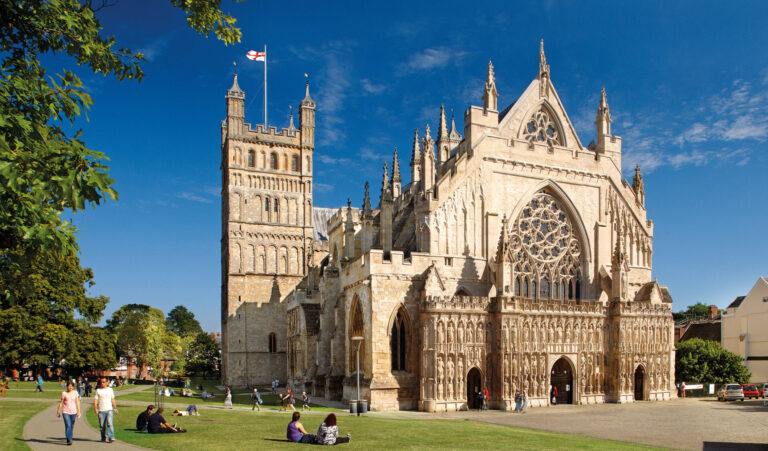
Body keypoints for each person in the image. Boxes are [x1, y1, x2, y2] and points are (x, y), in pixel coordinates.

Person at [57, 381, 81, 446]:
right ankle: (70, 440)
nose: (70, 387)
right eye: (69, 386)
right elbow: (61, 402)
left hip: (73, 412)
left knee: (71, 426)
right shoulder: (64, 393)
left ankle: (69, 437)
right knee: (68, 425)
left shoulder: (75, 392)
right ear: (67, 386)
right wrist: (58, 411)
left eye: (72, 386)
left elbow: (77, 402)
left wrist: (79, 411)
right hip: (65, 412)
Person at [93, 378, 117, 443]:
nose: (102, 383)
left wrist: (115, 408)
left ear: (107, 382)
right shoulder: (98, 390)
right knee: (102, 426)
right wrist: (95, 408)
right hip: (101, 410)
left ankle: (111, 437)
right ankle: (103, 437)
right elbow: (95, 400)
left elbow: (112, 399)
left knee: (110, 423)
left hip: (109, 409)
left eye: (103, 382)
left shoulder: (110, 390)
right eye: (101, 382)